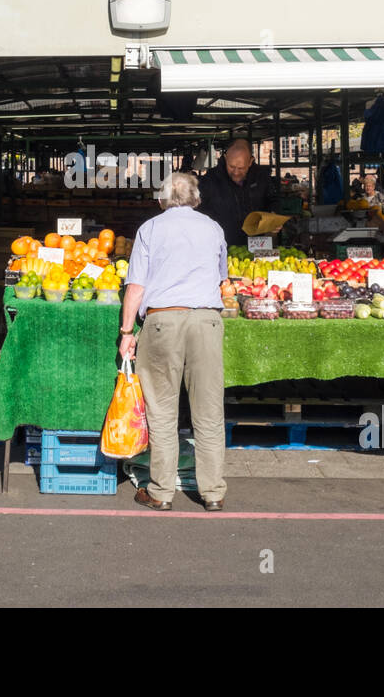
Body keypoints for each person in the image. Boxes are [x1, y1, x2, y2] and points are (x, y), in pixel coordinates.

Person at [120, 172, 227, 513]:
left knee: (162, 410)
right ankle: (213, 493)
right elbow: (222, 278)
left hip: (162, 321)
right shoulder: (213, 228)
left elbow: (136, 287)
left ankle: (161, 492)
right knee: (209, 411)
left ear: (161, 200)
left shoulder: (150, 229)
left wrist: (126, 332)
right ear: (197, 199)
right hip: (206, 321)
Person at [197, 139, 277, 247]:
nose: (235, 172)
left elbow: (273, 199)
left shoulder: (261, 177)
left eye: (241, 168)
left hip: (256, 243)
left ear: (250, 162)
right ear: (226, 158)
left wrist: (274, 213)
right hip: (221, 244)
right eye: (231, 167)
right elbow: (199, 208)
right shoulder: (211, 179)